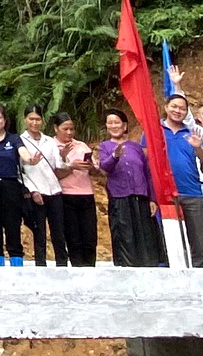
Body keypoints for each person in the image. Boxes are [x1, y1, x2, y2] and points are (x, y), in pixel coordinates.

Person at [93, 107, 158, 266]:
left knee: (144, 234)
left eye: (117, 122)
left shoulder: (136, 147)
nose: (114, 126)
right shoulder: (105, 147)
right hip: (120, 197)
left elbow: (147, 173)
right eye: (110, 123)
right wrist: (115, 156)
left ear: (125, 126)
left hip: (140, 197)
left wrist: (152, 199)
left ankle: (148, 266)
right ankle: (126, 267)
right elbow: (105, 168)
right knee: (124, 235)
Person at [162, 92, 203, 265]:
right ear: (166, 108)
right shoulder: (156, 131)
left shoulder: (193, 131)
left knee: (199, 242)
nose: (177, 111)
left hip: (192, 192)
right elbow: (147, 157)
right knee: (170, 240)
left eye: (182, 108)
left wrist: (198, 147)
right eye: (174, 107)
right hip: (166, 193)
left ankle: (201, 277)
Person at [52, 112, 101, 267]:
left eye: (71, 129)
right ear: (55, 129)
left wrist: (90, 166)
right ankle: (78, 269)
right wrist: (70, 166)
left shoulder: (81, 145)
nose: (69, 133)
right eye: (65, 129)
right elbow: (53, 175)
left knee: (90, 237)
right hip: (66, 196)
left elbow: (95, 172)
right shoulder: (51, 146)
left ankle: (90, 268)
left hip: (86, 194)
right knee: (73, 238)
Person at [0, 105, 28, 262]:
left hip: (11, 186)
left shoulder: (13, 138)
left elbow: (23, 152)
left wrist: (30, 159)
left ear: (5, 119)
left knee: (13, 226)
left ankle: (17, 262)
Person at [17, 107, 59, 265]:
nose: (34, 122)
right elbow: (20, 171)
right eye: (31, 119)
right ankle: (41, 265)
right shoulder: (20, 141)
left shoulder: (50, 141)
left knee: (58, 233)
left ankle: (61, 264)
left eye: (37, 119)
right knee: (39, 233)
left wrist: (69, 163)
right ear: (25, 120)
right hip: (36, 192)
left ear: (43, 120)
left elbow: (57, 165)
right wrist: (32, 190)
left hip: (54, 191)